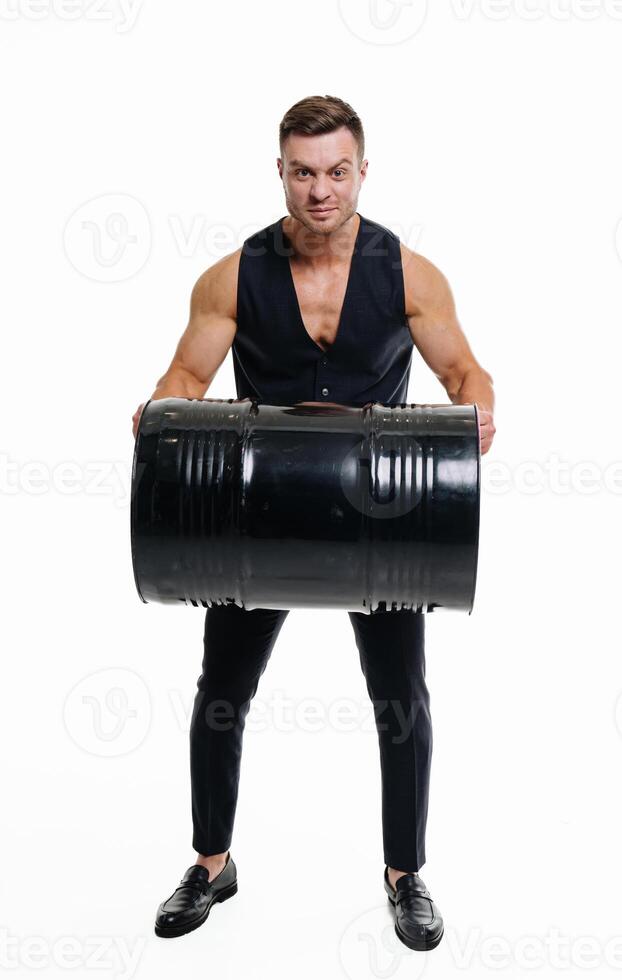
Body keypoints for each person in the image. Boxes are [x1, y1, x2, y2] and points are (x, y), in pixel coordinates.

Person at [132, 94, 495, 951]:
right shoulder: (232, 274)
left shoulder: (409, 274)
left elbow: (466, 373)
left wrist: (479, 408)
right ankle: (212, 866)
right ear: (281, 173)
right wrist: (161, 408)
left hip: (383, 519)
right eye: (303, 172)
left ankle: (406, 875)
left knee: (400, 700)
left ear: (363, 171)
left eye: (337, 171)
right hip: (261, 513)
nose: (320, 190)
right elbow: (186, 371)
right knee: (222, 693)